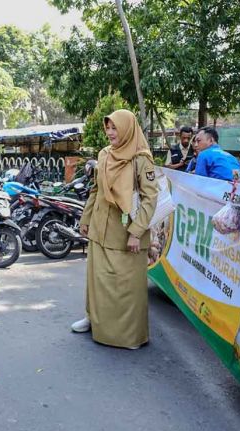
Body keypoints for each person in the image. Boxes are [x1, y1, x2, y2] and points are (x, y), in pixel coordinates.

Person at [70, 109, 158, 349]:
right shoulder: (104, 154)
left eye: (114, 128)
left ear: (127, 128)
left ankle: (129, 335)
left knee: (126, 286)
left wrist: (136, 233)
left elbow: (150, 198)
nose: (109, 133)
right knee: (97, 280)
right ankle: (94, 319)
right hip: (101, 227)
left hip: (127, 232)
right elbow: (96, 190)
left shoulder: (141, 158)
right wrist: (86, 219)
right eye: (107, 128)